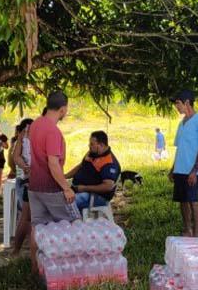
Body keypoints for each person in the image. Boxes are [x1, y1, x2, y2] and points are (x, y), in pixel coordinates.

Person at [28, 91, 80, 227]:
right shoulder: (52, 131)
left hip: (34, 187)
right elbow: (53, 163)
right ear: (62, 109)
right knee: (74, 224)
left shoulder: (35, 124)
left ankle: (37, 250)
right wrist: (66, 188)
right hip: (52, 188)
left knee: (38, 228)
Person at [169, 90, 198, 237]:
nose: (176, 107)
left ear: (187, 102)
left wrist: (194, 170)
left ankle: (197, 232)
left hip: (192, 170)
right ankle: (187, 229)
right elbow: (180, 148)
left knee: (193, 201)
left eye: (178, 103)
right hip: (180, 169)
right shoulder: (181, 124)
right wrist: (173, 168)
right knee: (182, 201)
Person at [66, 131, 121, 212]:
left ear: (101, 145)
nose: (89, 146)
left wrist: (84, 188)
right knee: (56, 196)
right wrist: (65, 176)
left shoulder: (109, 162)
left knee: (65, 203)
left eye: (92, 144)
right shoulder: (93, 152)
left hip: (95, 197)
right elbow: (81, 165)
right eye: (89, 143)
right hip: (78, 188)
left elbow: (107, 186)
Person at [11, 119, 34, 260]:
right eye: (25, 130)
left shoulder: (40, 138)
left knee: (29, 216)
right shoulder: (22, 140)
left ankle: (26, 250)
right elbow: (15, 157)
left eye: (29, 130)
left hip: (35, 180)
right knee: (26, 215)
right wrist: (25, 166)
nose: (27, 133)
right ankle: (17, 250)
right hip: (25, 181)